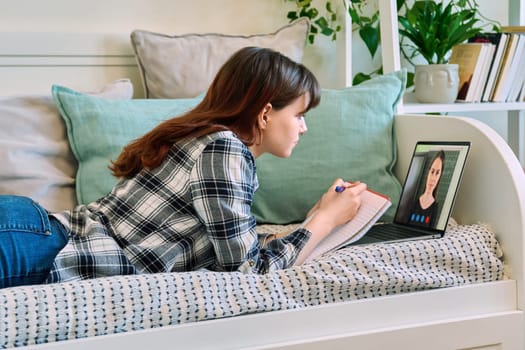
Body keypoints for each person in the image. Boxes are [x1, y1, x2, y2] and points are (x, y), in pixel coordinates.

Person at [0, 46, 367, 288]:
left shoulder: (205, 138)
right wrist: (325, 223)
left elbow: (234, 251)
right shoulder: (224, 149)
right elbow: (249, 273)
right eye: (299, 114)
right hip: (44, 246)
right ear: (267, 112)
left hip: (35, 231)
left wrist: (311, 219)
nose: (304, 126)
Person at [408, 150, 445, 228]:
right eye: (432, 171)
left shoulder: (435, 207)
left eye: (437, 173)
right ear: (428, 173)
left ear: (440, 177)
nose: (433, 178)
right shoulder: (414, 202)